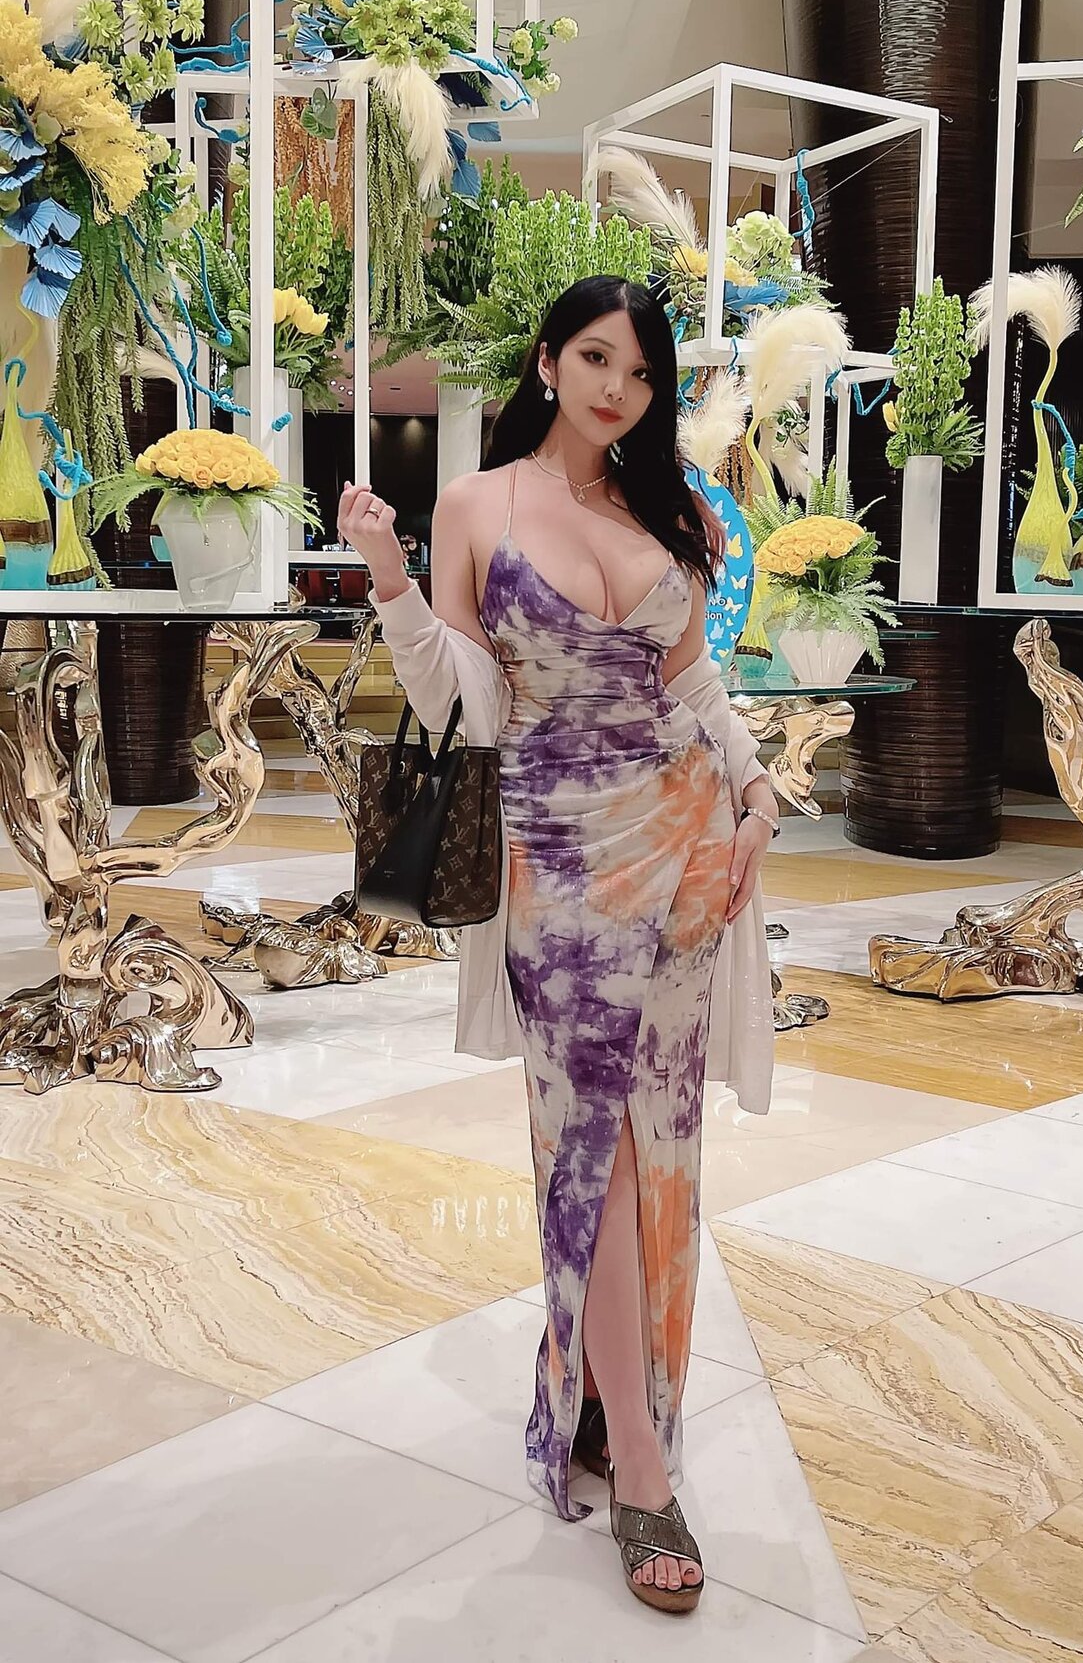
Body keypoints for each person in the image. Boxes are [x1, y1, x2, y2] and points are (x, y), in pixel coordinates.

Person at [338, 275, 776, 1614]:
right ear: (546, 362)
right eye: (596, 359)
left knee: (661, 1143)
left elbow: (691, 680)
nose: (617, 391)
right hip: (557, 855)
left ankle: (613, 1397)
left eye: (641, 373)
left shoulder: (672, 508)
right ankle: (636, 1461)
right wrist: (392, 580)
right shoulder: (477, 504)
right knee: (591, 1146)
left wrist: (757, 785)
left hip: (686, 841)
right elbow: (463, 693)